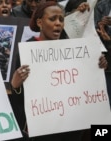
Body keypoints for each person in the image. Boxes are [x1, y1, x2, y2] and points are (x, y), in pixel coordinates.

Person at [10, 1, 108, 141]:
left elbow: (83, 83)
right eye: (52, 19)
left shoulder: (73, 49)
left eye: (61, 20)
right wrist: (15, 84)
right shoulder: (27, 51)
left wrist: (98, 66)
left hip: (72, 126)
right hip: (43, 127)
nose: (58, 23)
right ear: (39, 22)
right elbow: (19, 96)